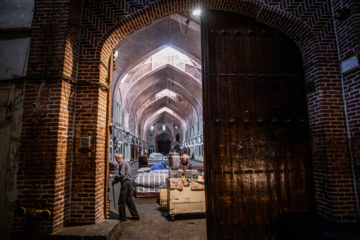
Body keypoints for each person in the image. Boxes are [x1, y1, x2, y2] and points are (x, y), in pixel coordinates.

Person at [112, 153, 140, 222]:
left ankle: (122, 217)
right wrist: (115, 181)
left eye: (116, 159)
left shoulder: (122, 163)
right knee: (129, 200)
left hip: (126, 183)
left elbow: (121, 175)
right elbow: (123, 175)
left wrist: (112, 176)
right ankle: (135, 215)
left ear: (118, 158)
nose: (116, 160)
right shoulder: (124, 163)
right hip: (128, 182)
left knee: (121, 201)